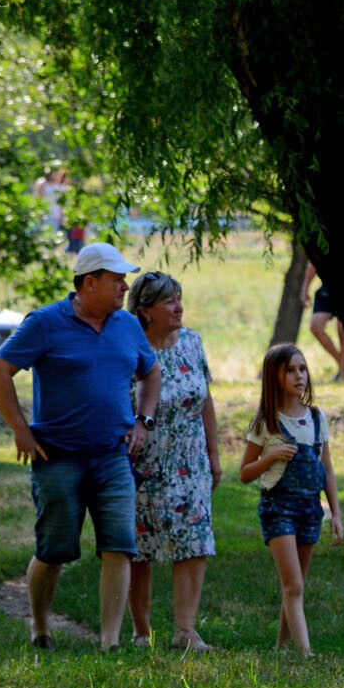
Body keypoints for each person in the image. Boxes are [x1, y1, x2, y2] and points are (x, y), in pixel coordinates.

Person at [0, 242, 160, 651]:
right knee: (55, 549)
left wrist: (143, 420)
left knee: (119, 545)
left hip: (114, 454)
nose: (124, 287)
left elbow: (151, 373)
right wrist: (19, 428)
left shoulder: (128, 325)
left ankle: (109, 643)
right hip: (56, 455)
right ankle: (40, 626)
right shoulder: (45, 322)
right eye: (116, 280)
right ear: (89, 282)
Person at [125, 272, 221, 652]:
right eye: (169, 301)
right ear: (146, 310)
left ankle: (185, 631)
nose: (179, 307)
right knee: (138, 547)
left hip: (191, 460)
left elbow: (206, 400)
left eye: (180, 298)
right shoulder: (128, 348)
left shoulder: (193, 341)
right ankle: (140, 632)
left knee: (193, 543)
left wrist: (213, 456)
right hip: (143, 463)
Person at [239, 344, 344, 656]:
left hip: (310, 509)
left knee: (293, 586)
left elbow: (327, 469)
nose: (299, 376)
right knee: (293, 585)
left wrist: (335, 513)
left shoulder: (316, 417)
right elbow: (245, 473)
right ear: (275, 377)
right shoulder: (265, 421)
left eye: (302, 368)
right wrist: (270, 457)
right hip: (278, 508)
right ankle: (306, 654)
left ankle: (281, 648)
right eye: (290, 370)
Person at [300, 263, 344, 382]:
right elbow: (312, 264)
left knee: (343, 332)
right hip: (327, 288)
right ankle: (342, 364)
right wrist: (305, 288)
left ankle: (343, 375)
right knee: (316, 327)